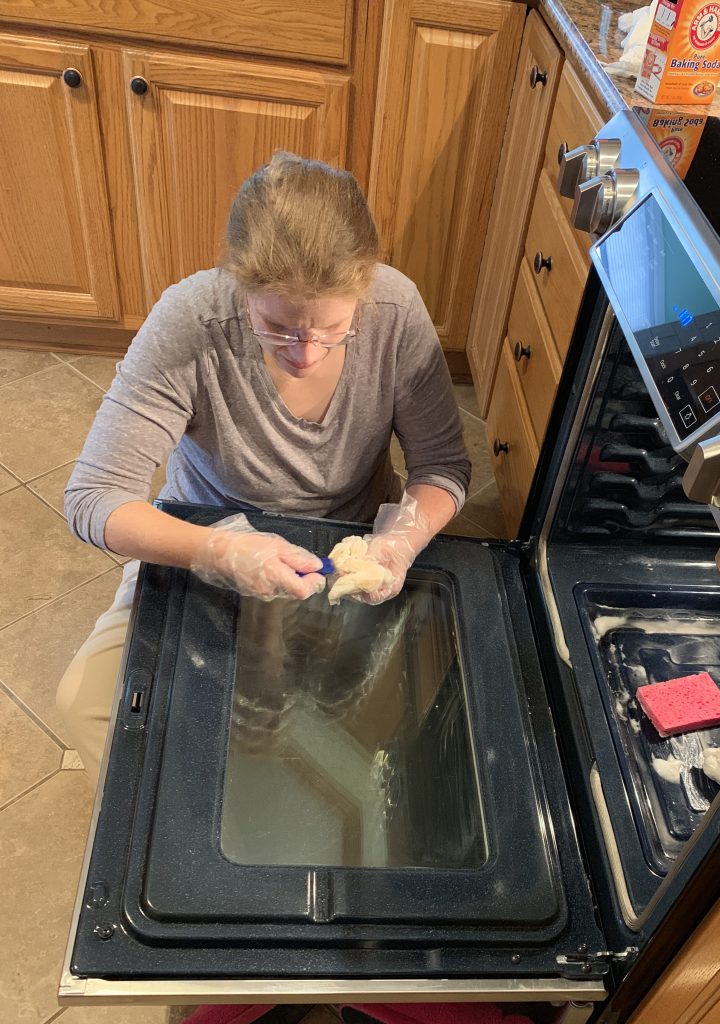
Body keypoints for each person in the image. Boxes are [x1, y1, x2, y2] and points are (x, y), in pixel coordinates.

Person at [56, 153, 471, 784]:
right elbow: (92, 498)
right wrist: (219, 550)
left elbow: (442, 466)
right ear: (239, 283)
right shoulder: (191, 320)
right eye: (276, 327)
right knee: (89, 704)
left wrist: (398, 543)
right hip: (209, 537)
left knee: (373, 719)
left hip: (346, 549)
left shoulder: (396, 309)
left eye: (333, 328)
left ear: (365, 284)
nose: (305, 351)